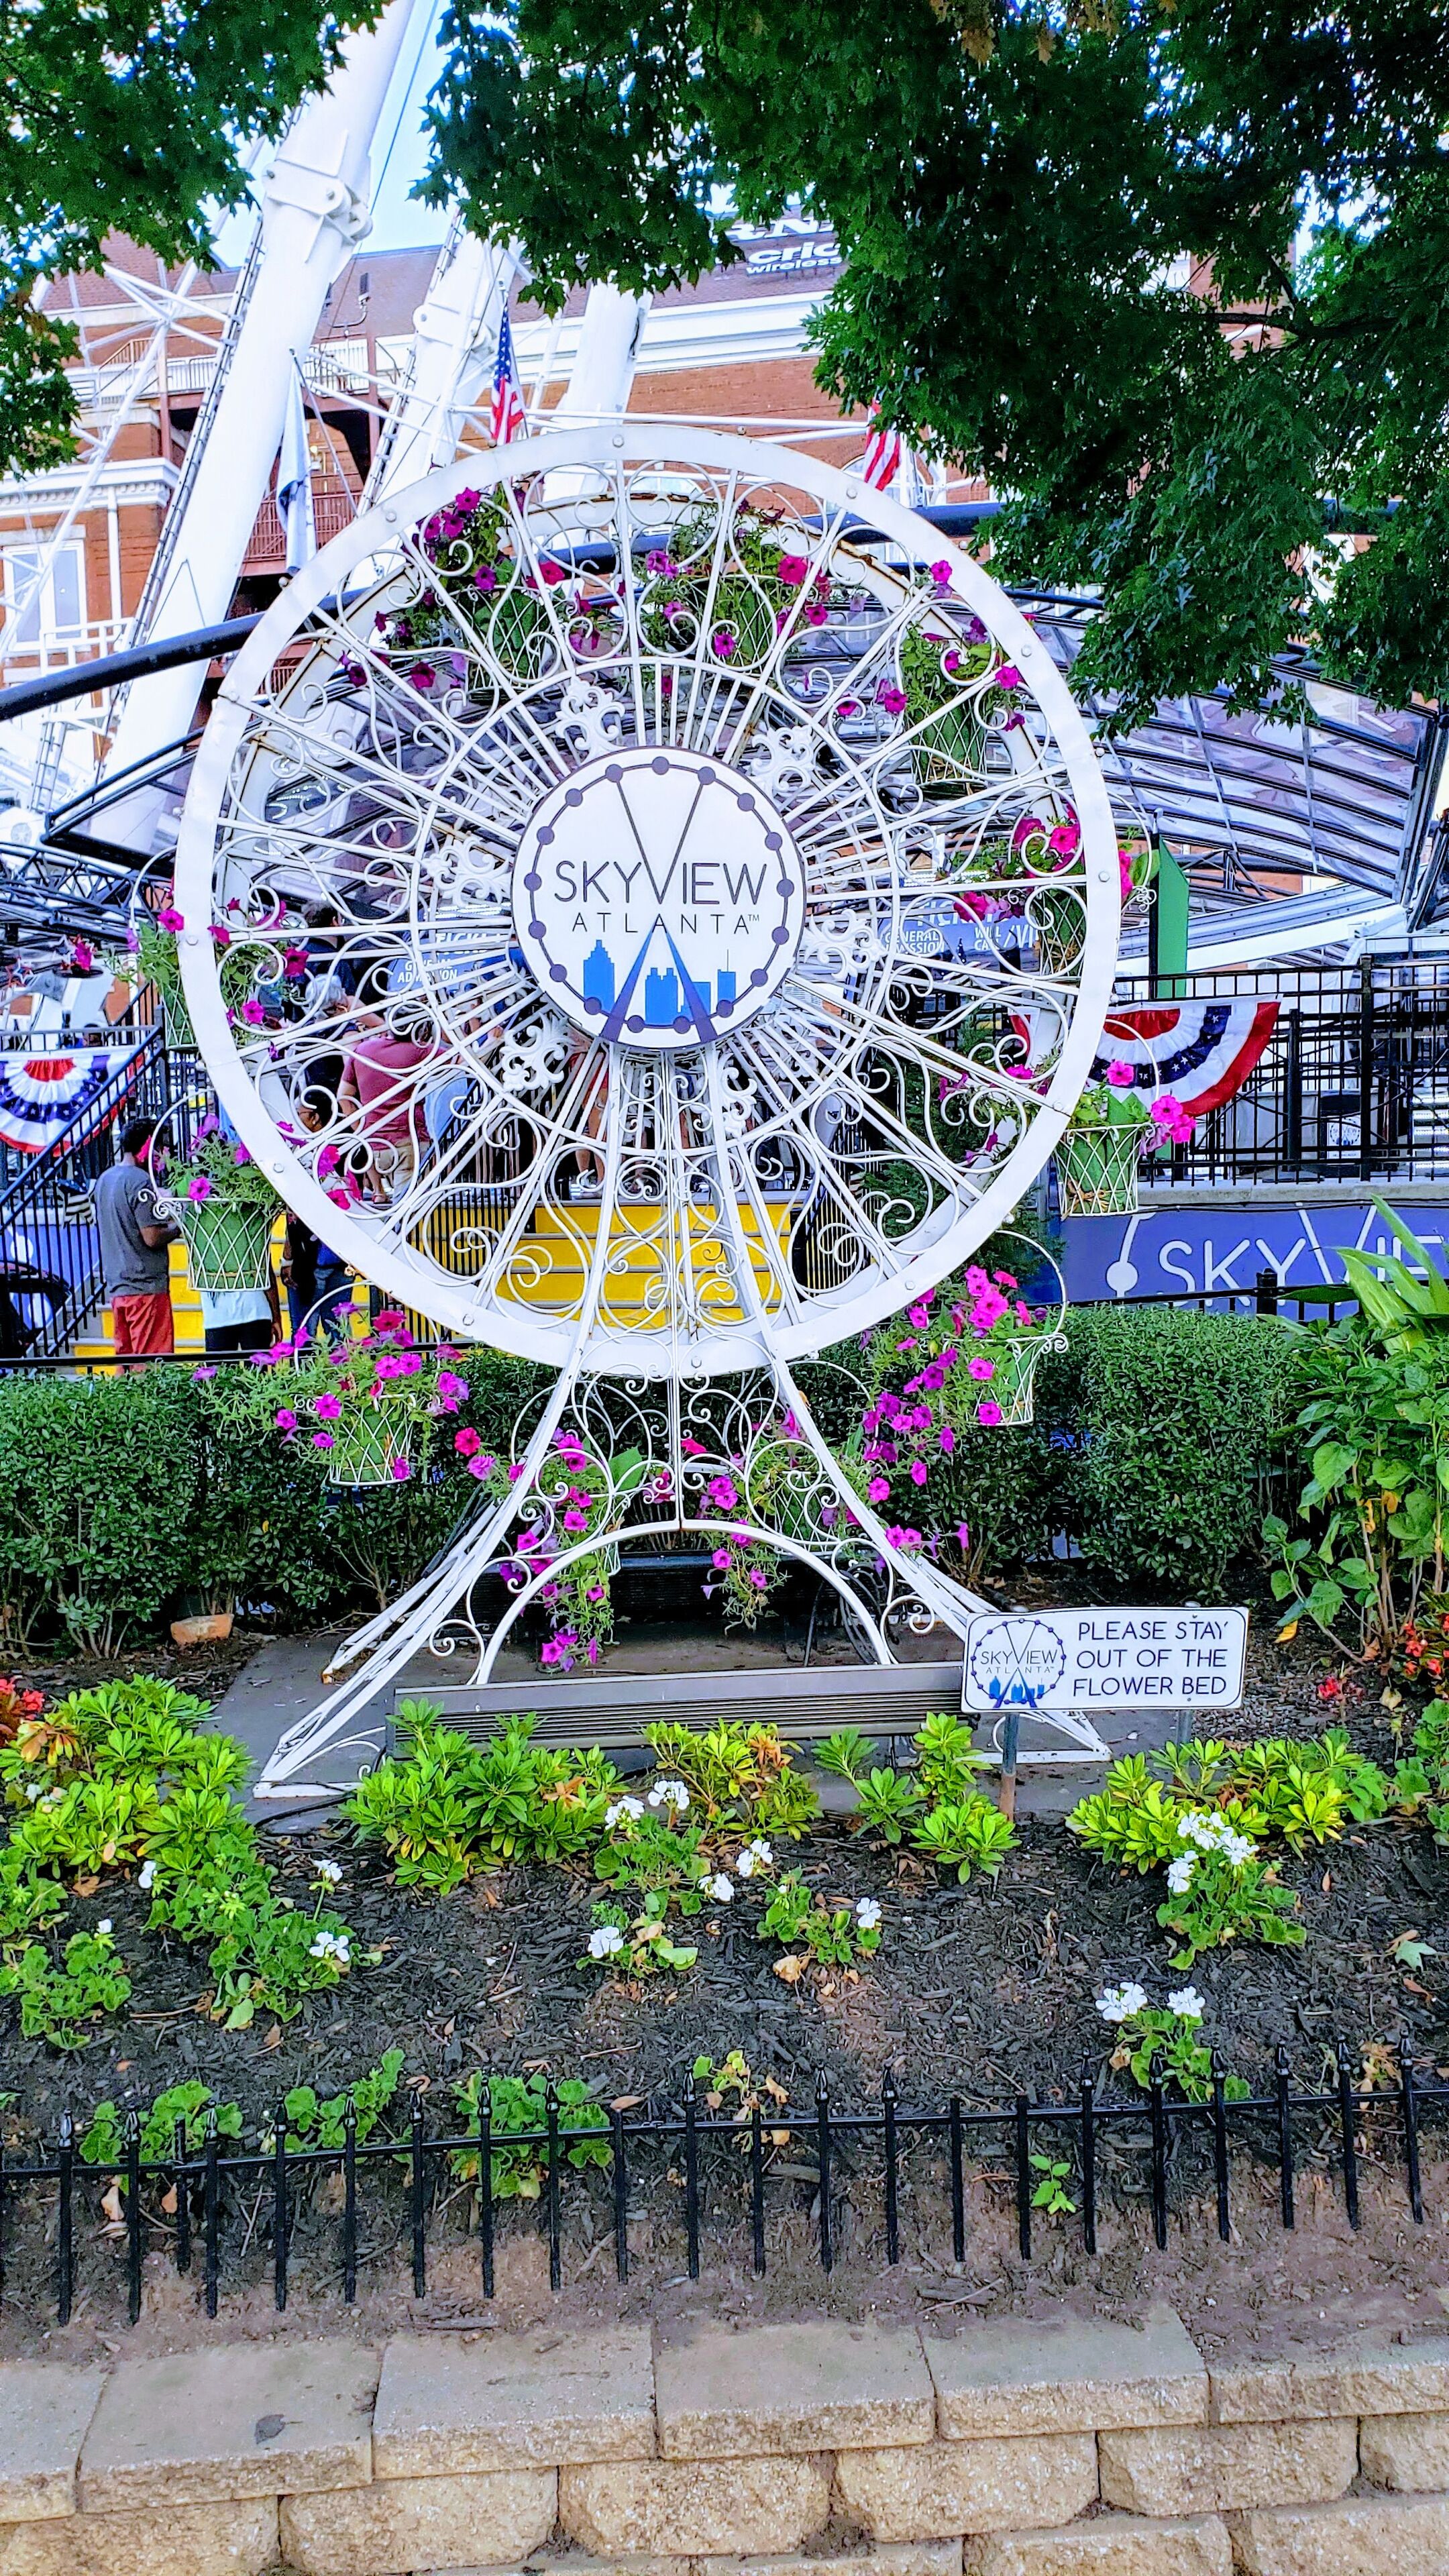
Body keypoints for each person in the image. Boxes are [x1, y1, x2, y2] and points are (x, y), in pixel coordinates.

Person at [95, 1118, 177, 1358]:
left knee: (127, 1363)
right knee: (152, 1365)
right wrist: (180, 1225)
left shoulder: (105, 1180)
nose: (162, 1155)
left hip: (118, 1288)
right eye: (159, 1148)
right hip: (146, 1289)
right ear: (147, 1147)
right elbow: (151, 1237)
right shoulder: (140, 1182)